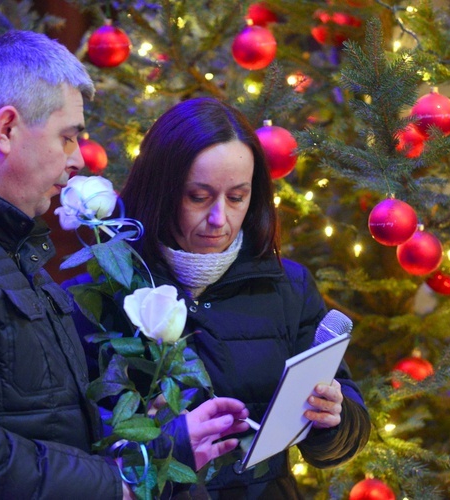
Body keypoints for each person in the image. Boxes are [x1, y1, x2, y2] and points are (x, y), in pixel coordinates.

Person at [0, 31, 252, 500]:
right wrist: (113, 484)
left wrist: (160, 446)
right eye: (68, 138)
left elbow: (34, 414)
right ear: (6, 129)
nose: (78, 159)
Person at [98, 97, 371, 498]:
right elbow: (76, 440)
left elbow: (348, 423)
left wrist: (334, 418)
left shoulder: (287, 285)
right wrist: (159, 442)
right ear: (161, 190)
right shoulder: (106, 287)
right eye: (199, 197)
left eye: (237, 197)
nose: (219, 219)